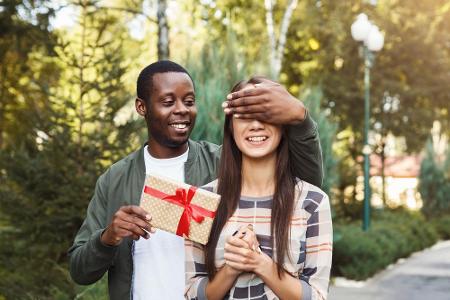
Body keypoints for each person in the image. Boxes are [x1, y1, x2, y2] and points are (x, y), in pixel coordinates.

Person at [68, 61, 323, 300]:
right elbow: (80, 271)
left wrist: (300, 120)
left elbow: (303, 184)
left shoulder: (223, 165)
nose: (181, 109)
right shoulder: (115, 179)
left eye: (189, 101)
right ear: (141, 107)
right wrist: (108, 238)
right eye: (168, 101)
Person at [185, 77, 332, 300]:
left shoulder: (312, 201)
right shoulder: (201, 200)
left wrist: (259, 262)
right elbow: (191, 293)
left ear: (283, 127)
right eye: (244, 116)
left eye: (266, 115)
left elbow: (318, 296)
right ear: (231, 127)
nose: (255, 125)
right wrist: (231, 268)